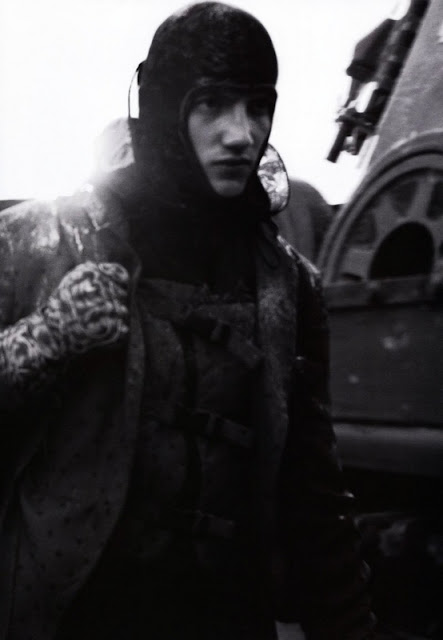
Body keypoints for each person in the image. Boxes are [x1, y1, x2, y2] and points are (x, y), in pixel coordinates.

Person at [0, 3, 374, 639]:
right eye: (212, 104)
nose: (242, 133)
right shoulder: (40, 242)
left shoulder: (287, 284)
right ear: (165, 109)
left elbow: (313, 492)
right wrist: (46, 337)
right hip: (72, 616)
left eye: (258, 106)